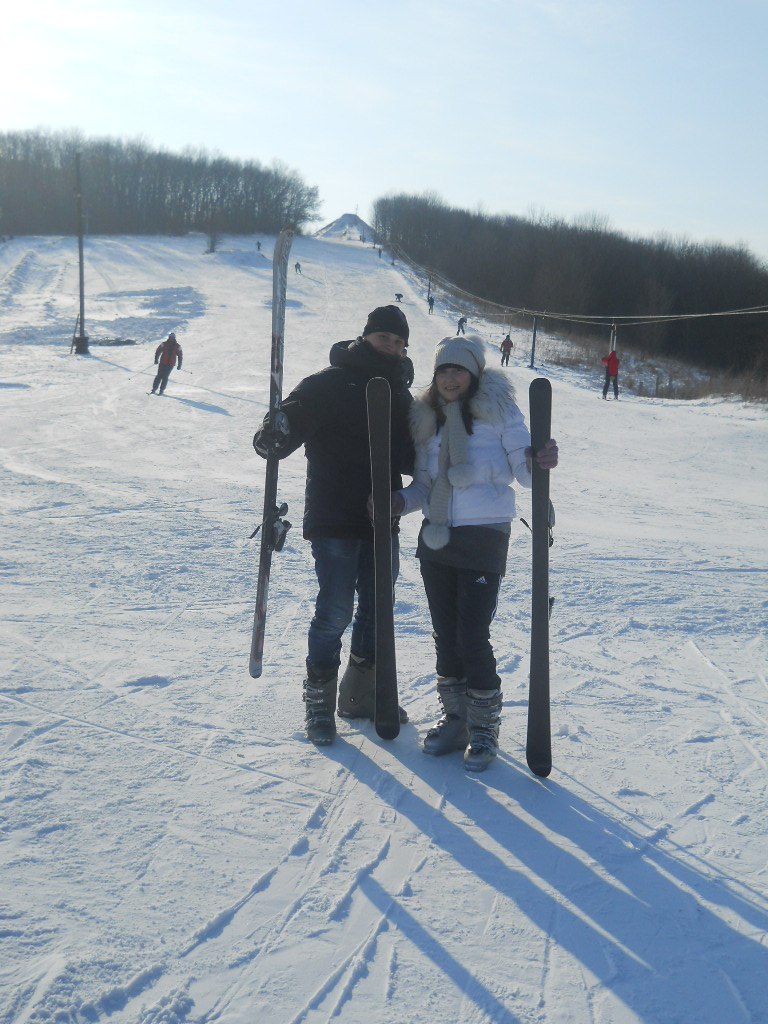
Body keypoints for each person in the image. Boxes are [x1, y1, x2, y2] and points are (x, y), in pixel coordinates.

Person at [392, 335, 559, 772]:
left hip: (485, 533)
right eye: (443, 371)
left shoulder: (500, 410)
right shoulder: (427, 420)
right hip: (437, 537)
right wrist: (399, 501)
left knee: (471, 633)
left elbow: (526, 474)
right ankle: (456, 718)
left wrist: (539, 459)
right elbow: (424, 487)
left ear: (474, 373)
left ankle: (483, 726)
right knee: (445, 634)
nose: (450, 378)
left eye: (459, 370)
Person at [253, 305, 415, 746]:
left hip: (382, 518)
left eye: (399, 342)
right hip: (334, 515)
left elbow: (412, 456)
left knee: (378, 609)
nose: (391, 347)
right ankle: (319, 699)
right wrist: (276, 431)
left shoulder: (402, 396)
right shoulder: (328, 383)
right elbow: (290, 424)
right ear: (365, 337)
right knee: (336, 609)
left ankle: (360, 693)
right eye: (384, 338)